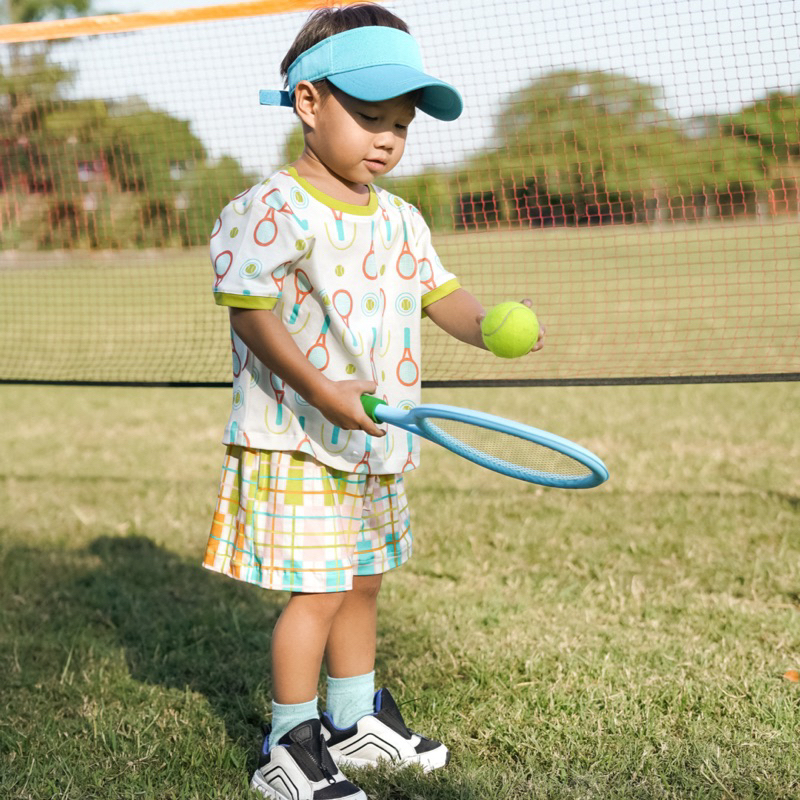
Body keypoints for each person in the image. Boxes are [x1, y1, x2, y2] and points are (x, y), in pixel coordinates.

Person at [204, 5, 544, 799]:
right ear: (309, 103)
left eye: (401, 123)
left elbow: (441, 297)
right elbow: (249, 310)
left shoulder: (400, 218)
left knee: (362, 580)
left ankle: (354, 723)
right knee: (318, 591)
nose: (387, 138)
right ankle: (289, 743)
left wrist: (489, 325)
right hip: (298, 436)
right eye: (368, 117)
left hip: (373, 439)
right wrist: (325, 389)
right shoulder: (273, 207)